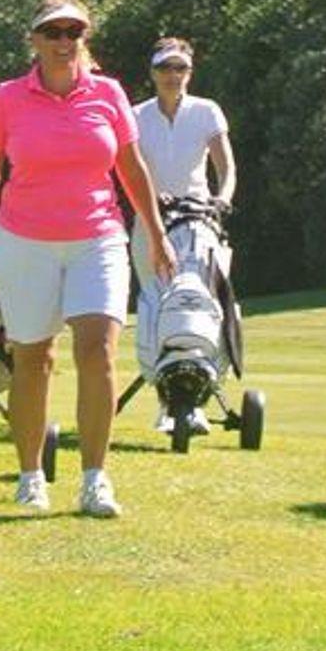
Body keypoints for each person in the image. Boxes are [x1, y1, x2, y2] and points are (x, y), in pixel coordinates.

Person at [0, 0, 174, 517]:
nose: (63, 42)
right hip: (24, 241)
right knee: (33, 360)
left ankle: (95, 480)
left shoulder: (108, 93)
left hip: (97, 238)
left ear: (84, 38)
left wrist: (156, 233)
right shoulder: (8, 98)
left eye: (73, 32)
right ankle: (31, 476)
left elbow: (131, 169)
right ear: (34, 40)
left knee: (97, 351)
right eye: (53, 32)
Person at [130, 36, 236, 435]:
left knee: (203, 305)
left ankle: (199, 396)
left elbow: (226, 167)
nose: (172, 75)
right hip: (150, 223)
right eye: (164, 68)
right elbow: (128, 168)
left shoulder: (206, 111)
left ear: (189, 72)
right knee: (157, 307)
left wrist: (222, 199)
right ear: (153, 72)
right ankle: (168, 403)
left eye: (180, 68)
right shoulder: (136, 116)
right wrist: (150, 198)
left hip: (199, 223)